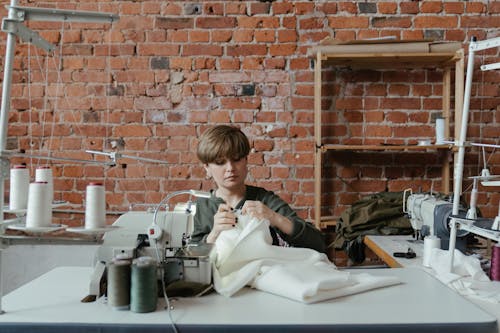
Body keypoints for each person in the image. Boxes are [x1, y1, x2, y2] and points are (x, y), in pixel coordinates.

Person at [191, 125, 326, 253]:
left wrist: (274, 218)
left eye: (236, 159)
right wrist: (213, 235)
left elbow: (318, 243)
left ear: (246, 161)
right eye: (220, 162)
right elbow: (188, 259)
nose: (230, 168)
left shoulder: (264, 200)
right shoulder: (200, 208)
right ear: (207, 168)